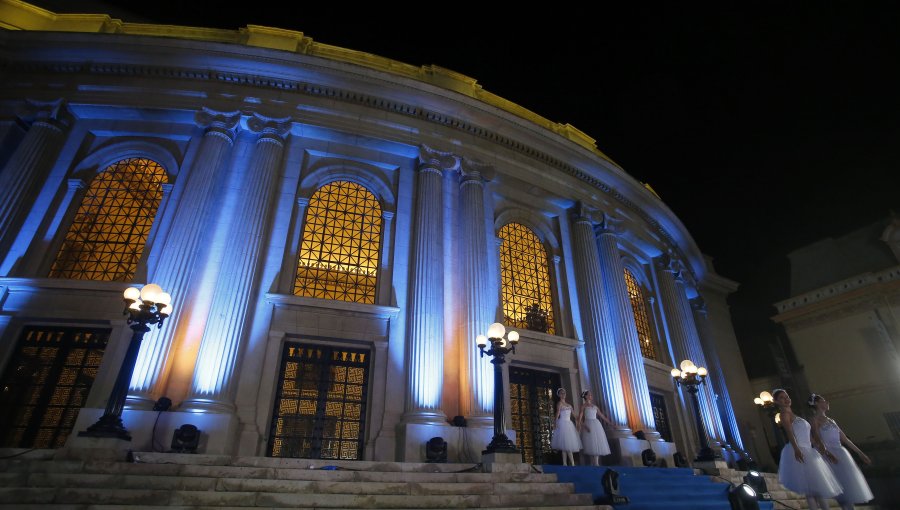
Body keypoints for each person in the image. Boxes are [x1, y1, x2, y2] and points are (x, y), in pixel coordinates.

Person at [773, 388, 843, 510]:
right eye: (782, 398)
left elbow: (810, 438)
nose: (786, 399)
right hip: (800, 451)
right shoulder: (784, 415)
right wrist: (796, 449)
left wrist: (825, 451)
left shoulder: (795, 415)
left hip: (809, 451)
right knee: (811, 490)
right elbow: (790, 433)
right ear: (776, 402)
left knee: (817, 489)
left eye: (787, 396)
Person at [809, 393, 873, 510]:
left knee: (848, 487)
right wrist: (828, 454)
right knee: (839, 490)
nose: (827, 402)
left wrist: (860, 453)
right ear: (817, 403)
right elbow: (817, 440)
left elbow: (845, 439)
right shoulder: (814, 420)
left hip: (841, 453)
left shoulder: (832, 420)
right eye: (823, 400)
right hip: (828, 455)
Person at [577, 389, 612, 466]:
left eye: (591, 395)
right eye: (589, 395)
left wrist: (610, 423)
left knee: (597, 442)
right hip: (588, 424)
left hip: (596, 424)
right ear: (585, 396)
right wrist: (584, 426)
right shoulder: (583, 406)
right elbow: (579, 419)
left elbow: (602, 416)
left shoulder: (595, 406)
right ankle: (593, 462)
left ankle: (596, 462)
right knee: (590, 443)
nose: (591, 396)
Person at [550, 387, 582, 466]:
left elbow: (575, 416)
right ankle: (571, 463)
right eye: (561, 393)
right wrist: (555, 423)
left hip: (569, 425)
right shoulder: (559, 403)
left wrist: (580, 421)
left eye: (564, 393)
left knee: (566, 445)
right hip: (562, 424)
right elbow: (557, 414)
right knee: (565, 445)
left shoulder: (569, 405)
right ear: (559, 395)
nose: (563, 394)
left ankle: (566, 463)